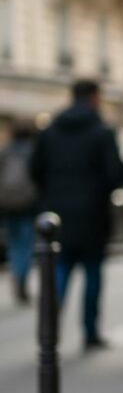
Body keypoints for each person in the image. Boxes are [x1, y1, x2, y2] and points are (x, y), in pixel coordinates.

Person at [31, 80, 123, 350]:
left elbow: (35, 171)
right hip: (92, 215)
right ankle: (90, 331)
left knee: (59, 271)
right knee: (92, 274)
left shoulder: (50, 131)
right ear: (94, 98)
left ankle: (49, 331)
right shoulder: (102, 132)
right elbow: (115, 175)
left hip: (55, 215)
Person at [0, 118, 39, 305]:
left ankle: (16, 272)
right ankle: (22, 276)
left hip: (7, 204)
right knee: (26, 243)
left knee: (14, 243)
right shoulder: (33, 152)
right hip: (28, 204)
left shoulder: (5, 151)